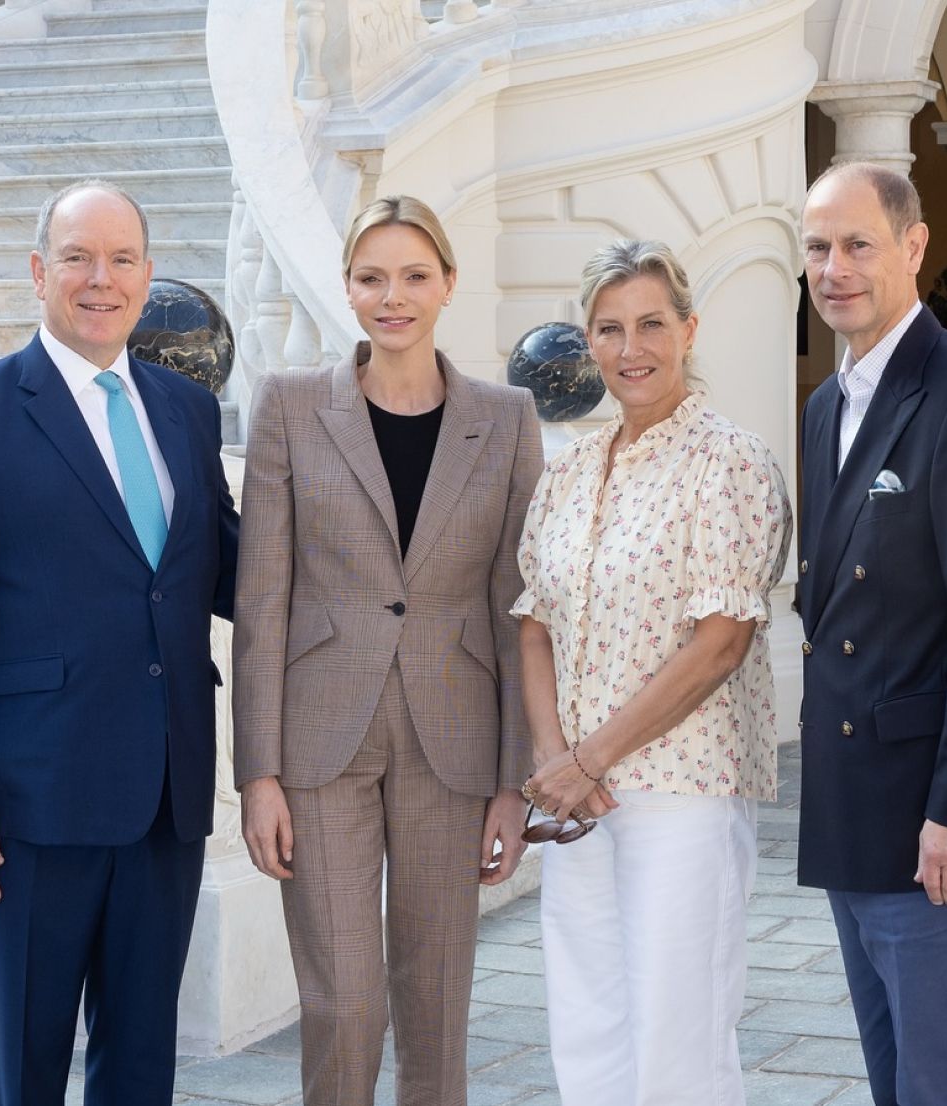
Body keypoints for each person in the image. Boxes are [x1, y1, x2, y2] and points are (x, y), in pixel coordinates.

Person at [0, 180, 239, 1106]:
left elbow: (228, 573)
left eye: (122, 259)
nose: (101, 279)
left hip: (166, 801)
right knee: (24, 1073)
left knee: (141, 1070)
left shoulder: (187, 411)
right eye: (77, 257)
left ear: (147, 277)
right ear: (39, 272)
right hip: (26, 810)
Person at [231, 194, 544, 1106]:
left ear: (448, 283)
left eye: (414, 275)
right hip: (319, 741)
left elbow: (514, 606)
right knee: (345, 1002)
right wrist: (258, 774)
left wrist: (511, 782)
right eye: (373, 278)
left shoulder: (508, 417)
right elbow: (263, 599)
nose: (393, 296)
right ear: (349, 290)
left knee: (437, 1001)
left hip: (456, 743)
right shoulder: (291, 406)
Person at [514, 239, 791, 1106]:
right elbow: (533, 624)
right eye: (609, 329)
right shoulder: (570, 471)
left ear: (688, 330)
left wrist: (589, 758)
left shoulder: (730, 459)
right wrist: (559, 761)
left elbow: (719, 644)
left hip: (684, 791)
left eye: (651, 325)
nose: (631, 348)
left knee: (680, 1031)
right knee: (587, 1020)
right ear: (587, 344)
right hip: (579, 799)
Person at [797, 161, 947, 1106]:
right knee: (892, 1085)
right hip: (856, 810)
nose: (833, 268)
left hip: (936, 830)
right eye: (816, 247)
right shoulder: (825, 405)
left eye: (857, 245)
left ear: (914, 247)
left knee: (945, 1085)